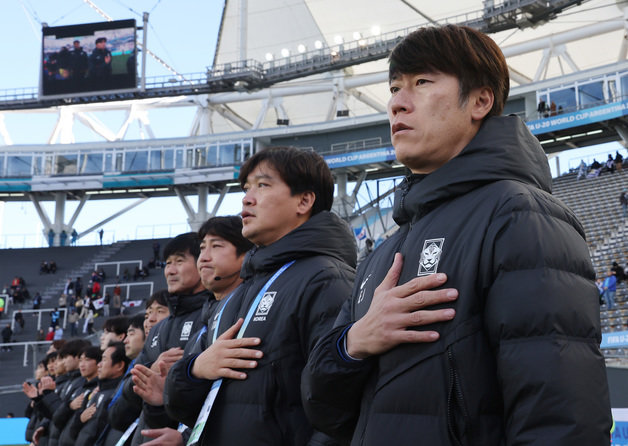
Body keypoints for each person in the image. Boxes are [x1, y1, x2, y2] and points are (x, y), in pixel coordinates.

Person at [302, 24, 611, 445]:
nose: (397, 104)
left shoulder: (519, 214)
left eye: (421, 83)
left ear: (481, 100)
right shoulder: (384, 250)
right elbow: (323, 409)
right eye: (394, 88)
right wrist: (355, 343)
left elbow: (559, 417)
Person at [164, 146, 357, 445]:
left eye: (263, 185)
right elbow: (183, 406)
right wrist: (194, 369)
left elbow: (340, 405)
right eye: (246, 188)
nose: (247, 198)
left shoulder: (327, 279)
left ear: (304, 200)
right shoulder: (237, 295)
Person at [134, 216, 253, 445]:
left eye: (216, 246)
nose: (205, 257)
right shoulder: (207, 320)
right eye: (201, 249)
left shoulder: (247, 310)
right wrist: (161, 400)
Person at [112, 233, 210, 446]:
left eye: (179, 261)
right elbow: (129, 386)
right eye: (167, 263)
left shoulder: (212, 315)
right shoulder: (159, 329)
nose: (171, 270)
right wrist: (152, 370)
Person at [69, 342, 129, 445]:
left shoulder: (119, 396)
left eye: (104, 359)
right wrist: (80, 419)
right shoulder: (95, 392)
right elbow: (72, 432)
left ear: (119, 365)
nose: (99, 365)